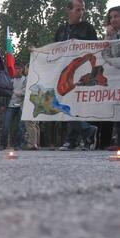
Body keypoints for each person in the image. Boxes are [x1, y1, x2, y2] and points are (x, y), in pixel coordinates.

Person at [55, 0, 98, 151]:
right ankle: (85, 132)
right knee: (65, 104)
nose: (81, 13)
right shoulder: (61, 30)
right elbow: (54, 49)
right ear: (69, 10)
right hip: (64, 73)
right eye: (78, 10)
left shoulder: (88, 28)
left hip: (81, 73)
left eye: (83, 10)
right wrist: (38, 52)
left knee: (75, 105)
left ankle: (73, 139)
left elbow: (95, 49)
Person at [104, 6, 120, 151]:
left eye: (116, 16)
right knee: (117, 107)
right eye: (111, 17)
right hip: (117, 77)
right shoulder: (111, 36)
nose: (114, 19)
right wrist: (108, 38)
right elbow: (105, 55)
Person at [0, 63, 25, 150]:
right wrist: (3, 105)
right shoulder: (11, 80)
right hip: (10, 105)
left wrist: (18, 93)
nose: (17, 70)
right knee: (6, 125)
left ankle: (18, 145)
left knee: (20, 127)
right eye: (16, 68)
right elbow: (6, 93)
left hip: (21, 106)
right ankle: (3, 144)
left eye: (19, 68)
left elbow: (25, 93)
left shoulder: (26, 80)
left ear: (22, 69)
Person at [22, 64, 40, 150]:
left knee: (30, 123)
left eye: (26, 68)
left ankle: (32, 143)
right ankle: (36, 143)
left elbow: (27, 91)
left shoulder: (30, 78)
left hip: (30, 102)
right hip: (36, 102)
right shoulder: (37, 77)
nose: (24, 70)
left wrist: (19, 92)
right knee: (35, 124)